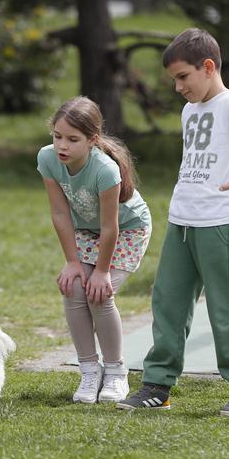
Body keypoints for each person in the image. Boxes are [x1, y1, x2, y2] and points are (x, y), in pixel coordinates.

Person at [117, 28, 229, 417]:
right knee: (168, 302)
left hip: (220, 223)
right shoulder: (190, 110)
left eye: (183, 77)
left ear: (208, 67)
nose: (178, 87)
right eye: (173, 80)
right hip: (184, 221)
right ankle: (157, 385)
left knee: (226, 306)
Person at [37, 97, 152, 404]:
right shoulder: (48, 159)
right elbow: (60, 214)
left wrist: (101, 272)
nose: (62, 145)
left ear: (92, 140)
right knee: (74, 287)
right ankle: (90, 369)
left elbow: (111, 226)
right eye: (57, 136)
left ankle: (115, 372)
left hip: (126, 230)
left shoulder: (105, 170)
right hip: (86, 230)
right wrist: (72, 262)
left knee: (99, 293)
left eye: (73, 140)